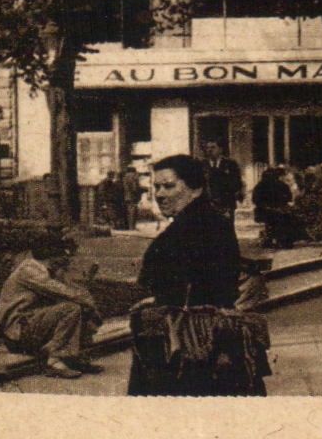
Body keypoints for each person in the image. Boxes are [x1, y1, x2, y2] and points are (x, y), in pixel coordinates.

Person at [128, 154, 268, 396]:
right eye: (156, 187)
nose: (160, 194)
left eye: (169, 186)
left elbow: (199, 286)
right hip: (205, 335)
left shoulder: (194, 227)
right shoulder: (205, 222)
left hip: (190, 342)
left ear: (195, 189)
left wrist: (162, 302)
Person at [0, 232, 102, 379]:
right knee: (71, 308)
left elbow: (75, 291)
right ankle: (53, 361)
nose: (67, 258)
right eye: (63, 253)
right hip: (18, 333)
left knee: (78, 306)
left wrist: (88, 304)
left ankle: (73, 357)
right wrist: (91, 306)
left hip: (31, 327)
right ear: (52, 255)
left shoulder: (48, 271)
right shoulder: (29, 270)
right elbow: (65, 292)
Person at [252, 166, 303, 249]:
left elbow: (255, 200)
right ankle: (283, 239)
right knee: (287, 217)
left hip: (263, 211)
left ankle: (273, 238)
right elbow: (289, 198)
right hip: (277, 211)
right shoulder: (282, 185)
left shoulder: (259, 186)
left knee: (275, 220)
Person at [201, 139, 245, 218]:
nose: (210, 150)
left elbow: (237, 182)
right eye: (208, 148)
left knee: (226, 228)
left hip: (226, 205)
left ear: (220, 150)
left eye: (213, 147)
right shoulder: (202, 165)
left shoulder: (230, 164)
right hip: (207, 206)